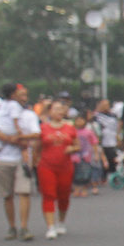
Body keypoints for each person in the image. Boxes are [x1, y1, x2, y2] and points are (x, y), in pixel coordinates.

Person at [0, 81, 40, 241]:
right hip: (4, 158)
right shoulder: (1, 112)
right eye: (21, 95)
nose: (24, 98)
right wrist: (12, 140)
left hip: (22, 158)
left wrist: (20, 138)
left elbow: (36, 134)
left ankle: (24, 227)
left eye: (25, 95)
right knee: (7, 195)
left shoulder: (30, 115)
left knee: (24, 192)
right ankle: (12, 226)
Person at [37, 99, 76, 238]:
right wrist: (35, 161)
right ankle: (50, 226)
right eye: (55, 109)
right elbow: (37, 146)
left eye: (61, 109)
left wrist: (72, 148)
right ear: (49, 111)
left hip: (65, 166)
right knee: (49, 195)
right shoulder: (43, 128)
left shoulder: (70, 128)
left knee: (63, 195)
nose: (59, 112)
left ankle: (61, 222)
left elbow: (77, 145)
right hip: (47, 166)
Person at [91, 98, 119, 181]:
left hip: (112, 141)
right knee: (103, 160)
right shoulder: (97, 116)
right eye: (104, 105)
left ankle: (114, 176)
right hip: (102, 141)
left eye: (107, 104)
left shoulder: (113, 115)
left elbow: (116, 128)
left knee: (113, 159)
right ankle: (103, 177)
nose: (106, 106)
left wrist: (117, 137)